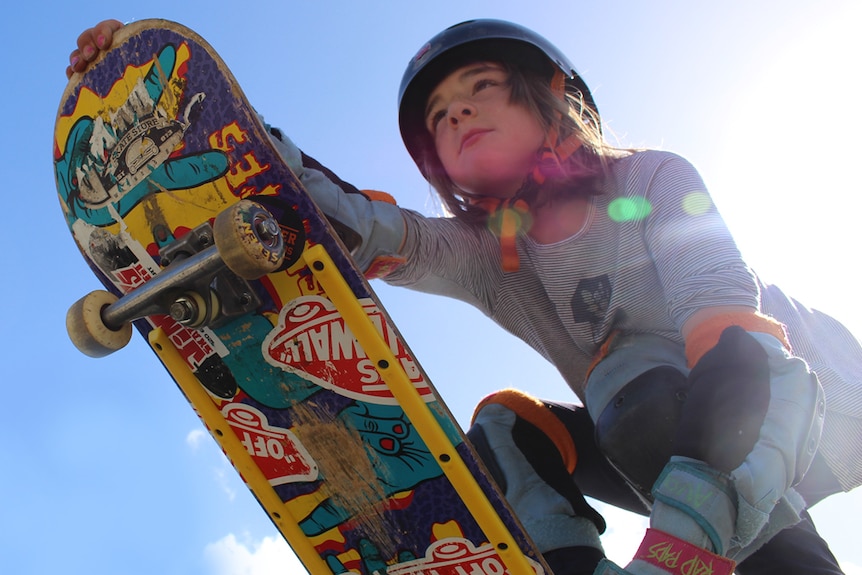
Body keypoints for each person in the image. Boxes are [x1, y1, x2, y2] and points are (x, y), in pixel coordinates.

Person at [69, 19, 861, 575]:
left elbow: (736, 337)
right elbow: (361, 228)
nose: (460, 115)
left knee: (638, 377)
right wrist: (177, 113)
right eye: (442, 117)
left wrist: (675, 550)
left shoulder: (652, 178)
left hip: (792, 412)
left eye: (482, 89)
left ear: (548, 95)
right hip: (650, 446)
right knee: (505, 429)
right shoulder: (493, 257)